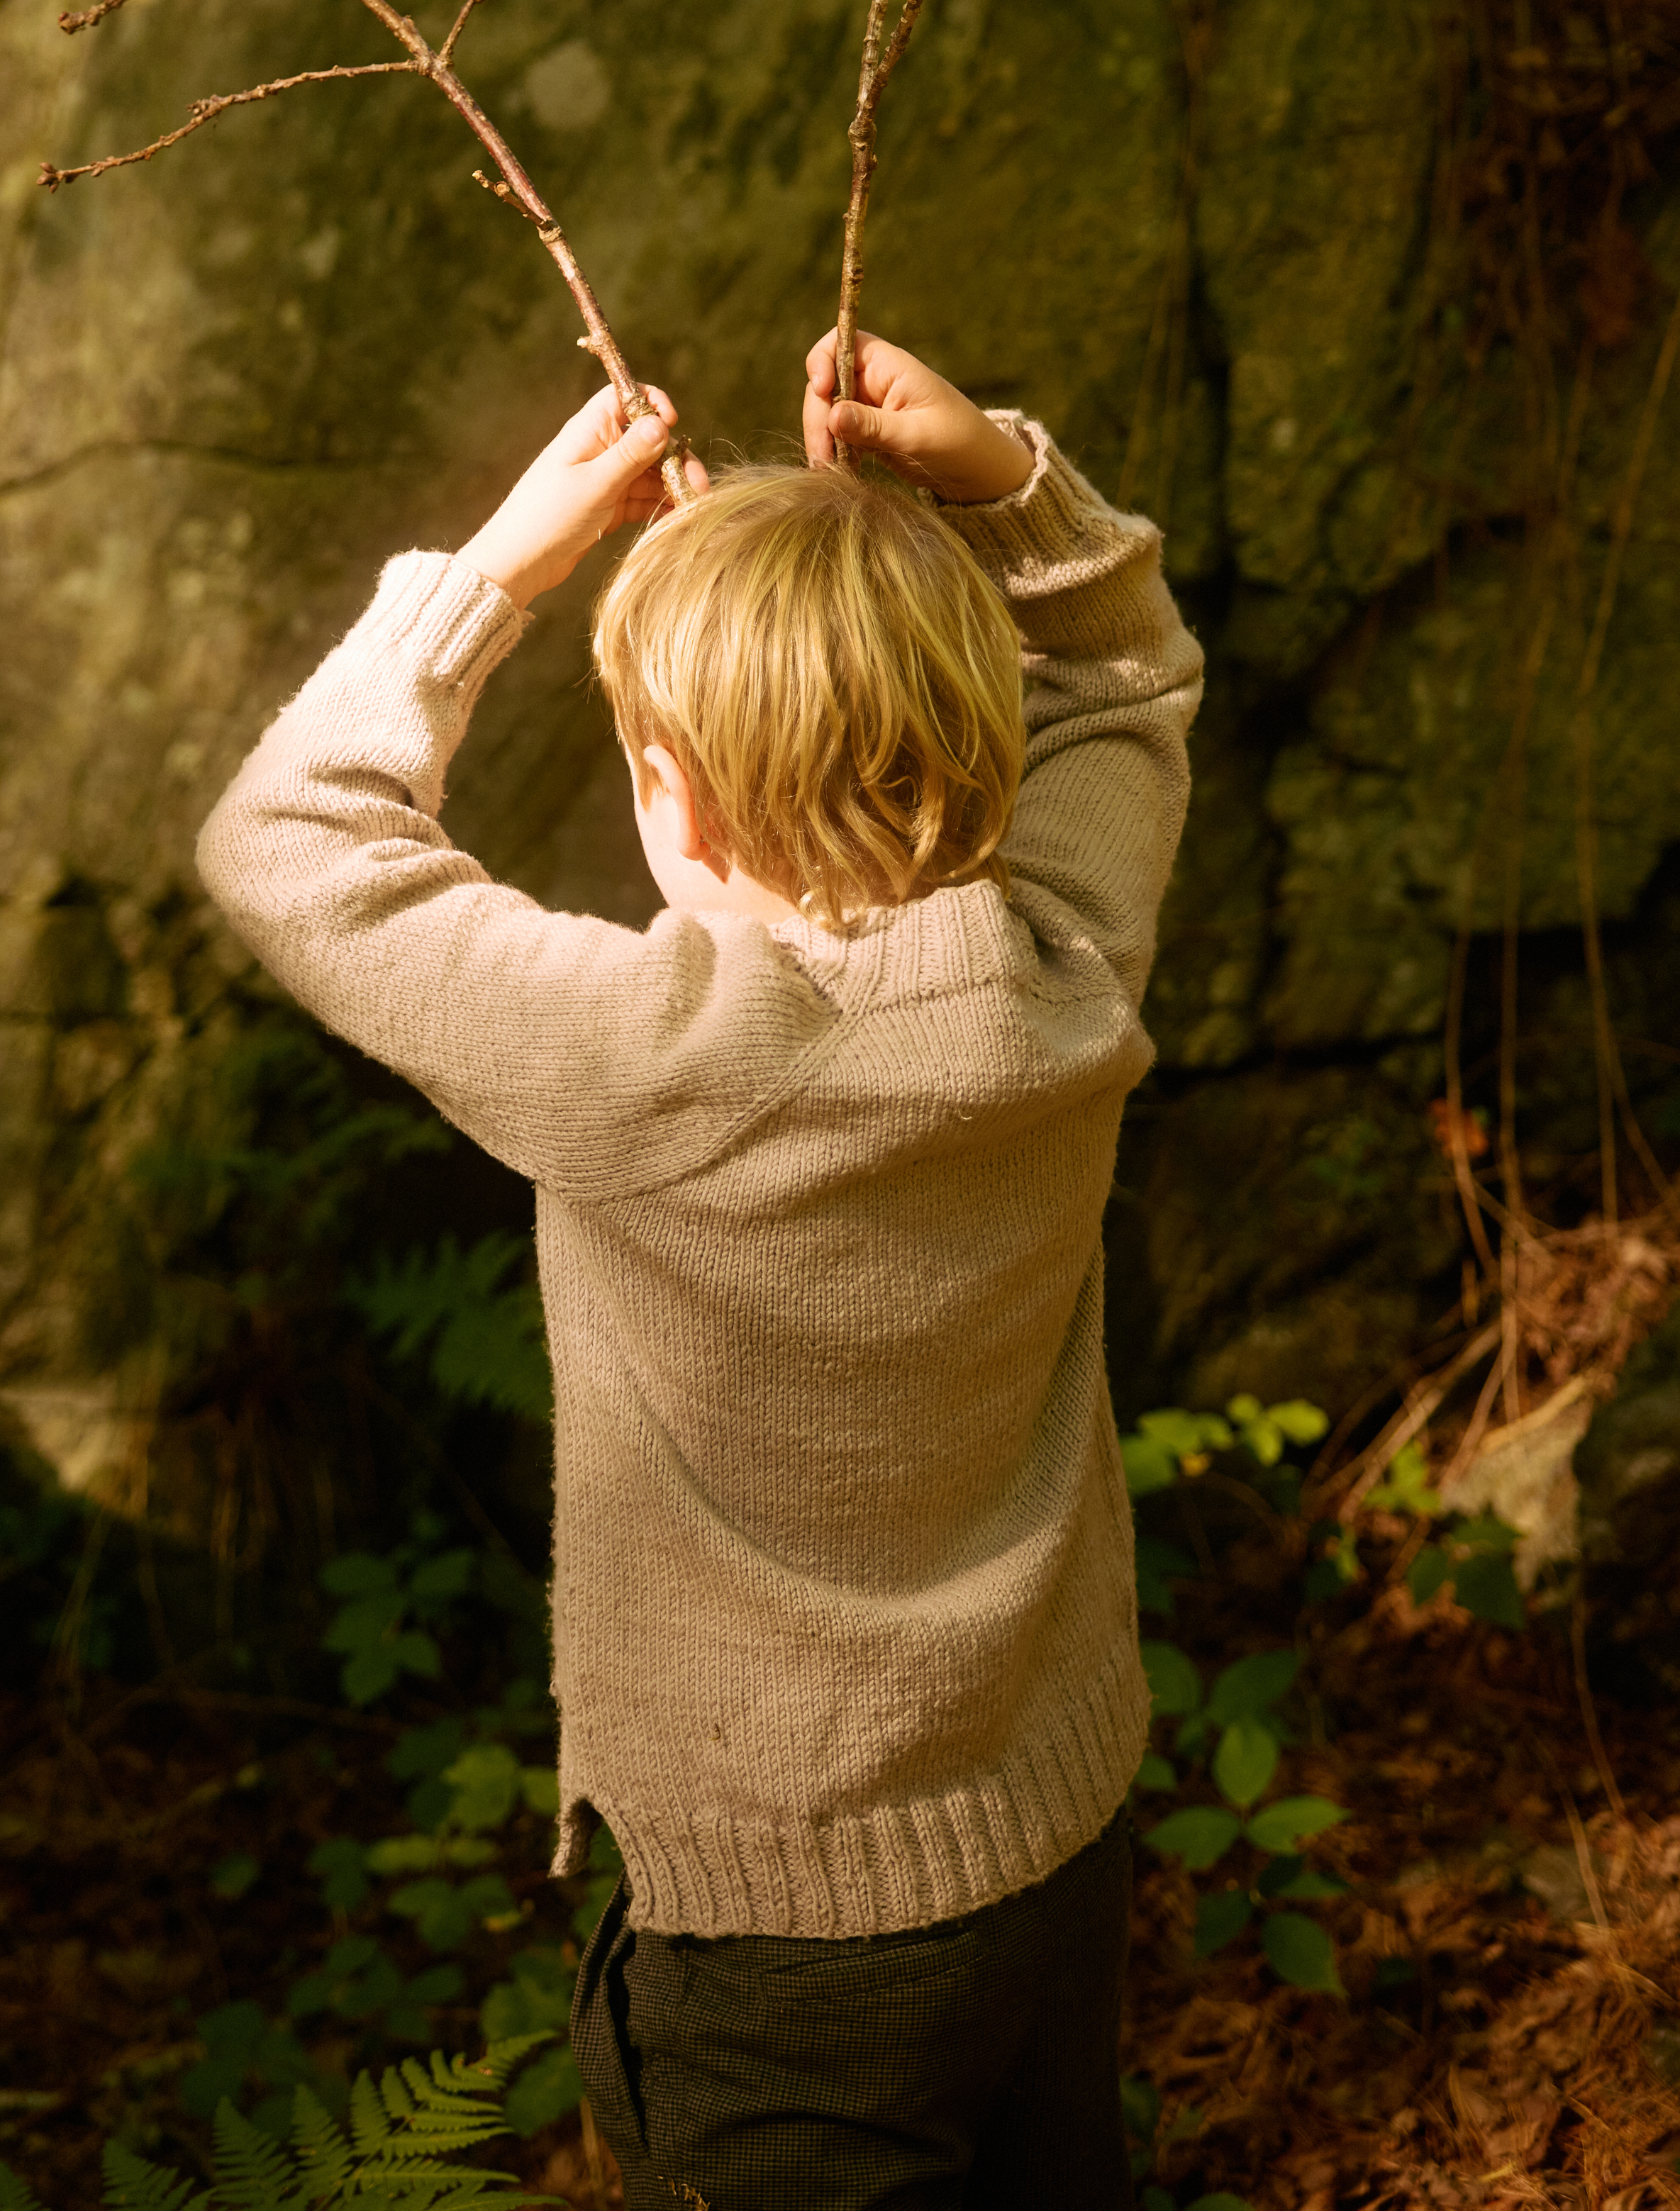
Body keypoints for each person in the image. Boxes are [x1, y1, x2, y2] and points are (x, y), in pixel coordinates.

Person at [197, 326, 1204, 2210]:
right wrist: (993, 477)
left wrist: (495, 572)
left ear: (679, 800)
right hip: (1056, 1838)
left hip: (778, 1943)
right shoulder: (1068, 963)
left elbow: (290, 846)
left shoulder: (642, 1055)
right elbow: (1128, 675)